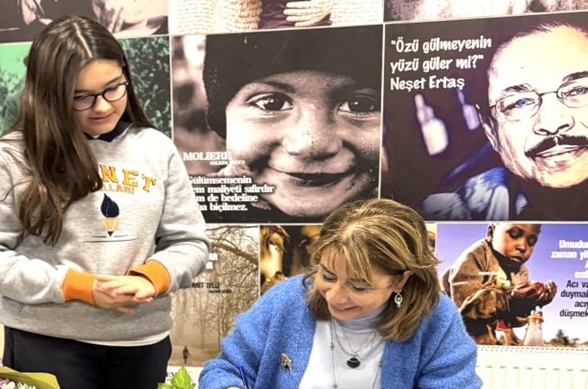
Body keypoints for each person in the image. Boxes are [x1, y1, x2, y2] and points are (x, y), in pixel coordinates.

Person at [0, 16, 209, 389]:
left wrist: (154, 277)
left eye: (113, 88)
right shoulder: (11, 157)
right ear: (49, 94)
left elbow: (190, 242)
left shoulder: (155, 148)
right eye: (81, 97)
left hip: (141, 344)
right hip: (48, 346)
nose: (103, 106)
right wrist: (77, 287)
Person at [198, 198, 482, 389]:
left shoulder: (435, 319)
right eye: (328, 276)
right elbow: (221, 371)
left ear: (401, 279)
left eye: (359, 286)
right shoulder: (286, 300)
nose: (335, 297)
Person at [202, 26, 381, 222]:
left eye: (359, 105)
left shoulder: (412, 210)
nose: (312, 145)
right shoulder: (183, 212)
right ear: (224, 121)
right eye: (272, 103)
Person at [422, 15, 588, 220]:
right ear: (491, 131)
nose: (551, 123)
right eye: (519, 103)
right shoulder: (453, 215)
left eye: (579, 90)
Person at [441, 223, 556, 345]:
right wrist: (508, 300)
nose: (523, 246)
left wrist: (529, 304)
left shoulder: (521, 271)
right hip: (446, 323)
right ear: (491, 233)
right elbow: (467, 309)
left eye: (531, 241)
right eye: (514, 235)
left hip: (484, 326)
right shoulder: (476, 255)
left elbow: (512, 319)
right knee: (483, 338)